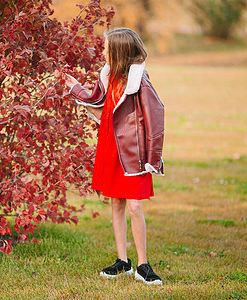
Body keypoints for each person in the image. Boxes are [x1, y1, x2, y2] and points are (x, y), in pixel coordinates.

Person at [64, 28, 164, 285]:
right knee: (117, 204)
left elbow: (156, 116)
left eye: (107, 48)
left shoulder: (139, 80)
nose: (103, 52)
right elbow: (97, 101)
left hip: (133, 153)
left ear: (119, 51)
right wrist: (75, 87)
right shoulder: (107, 75)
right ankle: (124, 261)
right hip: (110, 147)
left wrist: (153, 157)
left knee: (134, 205)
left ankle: (143, 265)